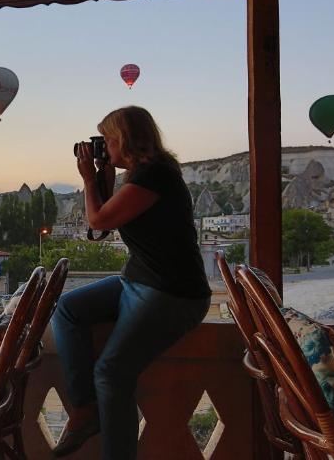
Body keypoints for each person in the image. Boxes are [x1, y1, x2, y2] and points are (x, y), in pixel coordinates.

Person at [50, 106, 210, 459]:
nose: (104, 147)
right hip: (137, 282)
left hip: (170, 293)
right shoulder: (141, 175)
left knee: (111, 374)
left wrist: (89, 180)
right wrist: (104, 179)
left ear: (124, 139)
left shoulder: (156, 176)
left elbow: (97, 218)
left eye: (107, 139)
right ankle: (84, 410)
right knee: (68, 310)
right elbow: (103, 226)